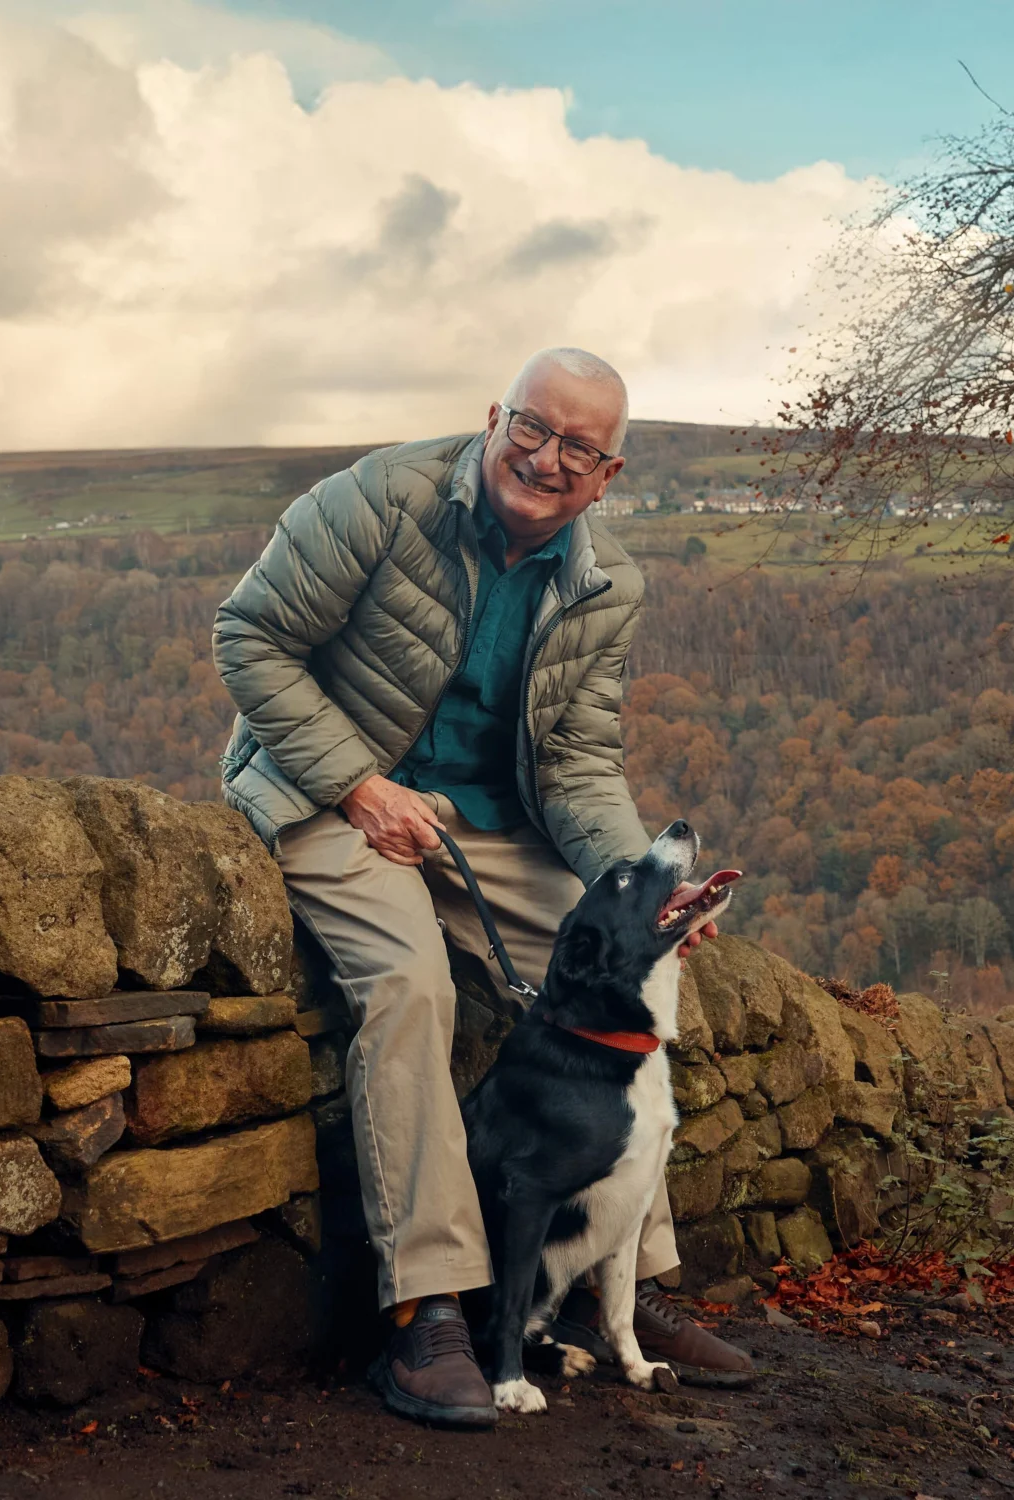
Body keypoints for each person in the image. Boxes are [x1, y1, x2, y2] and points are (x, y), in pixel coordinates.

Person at [213, 347, 755, 1426]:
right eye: (534, 429)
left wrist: (627, 883)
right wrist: (357, 784)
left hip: (489, 819)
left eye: (579, 449)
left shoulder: (606, 583)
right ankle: (430, 1313)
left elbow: (578, 762)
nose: (546, 460)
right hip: (334, 795)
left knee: (642, 961)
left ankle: (627, 1285)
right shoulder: (379, 498)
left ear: (609, 474)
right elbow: (250, 635)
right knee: (413, 984)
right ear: (497, 416)